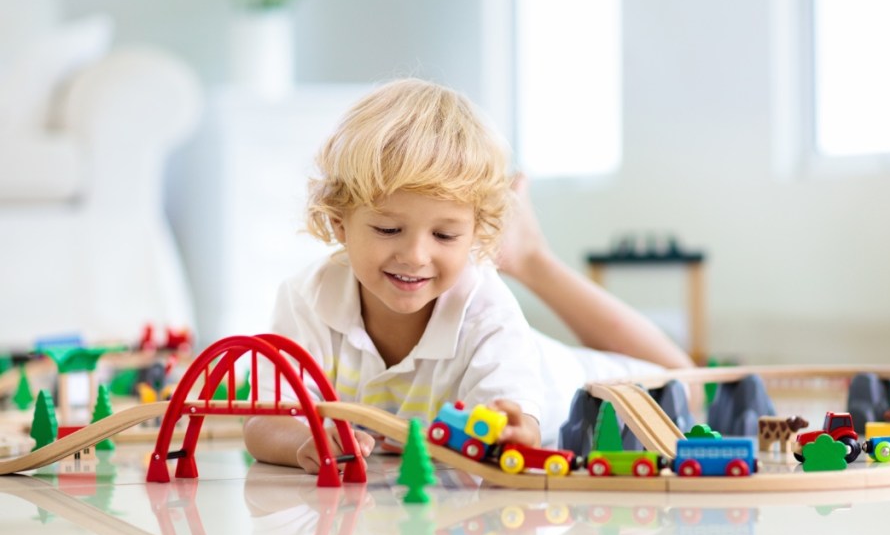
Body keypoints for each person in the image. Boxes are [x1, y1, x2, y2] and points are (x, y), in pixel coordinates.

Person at [243, 78, 694, 475]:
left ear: (476, 233)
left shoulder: (484, 307)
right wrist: (305, 444)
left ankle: (530, 255)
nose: (415, 255)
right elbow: (264, 421)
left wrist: (515, 431)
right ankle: (521, 252)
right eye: (387, 229)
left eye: (444, 234)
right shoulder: (308, 298)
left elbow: (518, 420)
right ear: (339, 222)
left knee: (688, 385)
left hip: (568, 378)